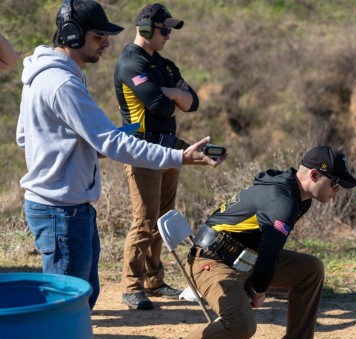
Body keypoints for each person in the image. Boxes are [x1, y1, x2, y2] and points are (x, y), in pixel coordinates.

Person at [16, 0, 223, 310]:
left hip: (68, 205)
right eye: (99, 37)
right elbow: (128, 130)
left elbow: (25, 136)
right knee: (65, 308)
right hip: (61, 207)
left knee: (82, 297)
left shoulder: (50, 75)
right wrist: (180, 156)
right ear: (72, 35)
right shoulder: (63, 82)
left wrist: (80, 149)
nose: (107, 44)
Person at [150, 145, 356, 339]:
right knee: (242, 324)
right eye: (335, 183)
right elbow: (269, 254)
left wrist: (255, 281)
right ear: (314, 175)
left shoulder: (297, 197)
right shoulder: (283, 202)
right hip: (211, 263)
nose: (338, 191)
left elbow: (266, 251)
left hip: (242, 259)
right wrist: (258, 289)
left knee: (310, 270)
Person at [114, 3, 201, 310]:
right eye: (165, 30)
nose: (168, 36)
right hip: (142, 150)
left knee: (163, 219)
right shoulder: (130, 64)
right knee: (145, 221)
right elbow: (159, 107)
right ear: (148, 29)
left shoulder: (163, 65)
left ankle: (153, 279)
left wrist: (174, 94)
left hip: (168, 149)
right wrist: (174, 95)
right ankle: (131, 285)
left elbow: (193, 102)